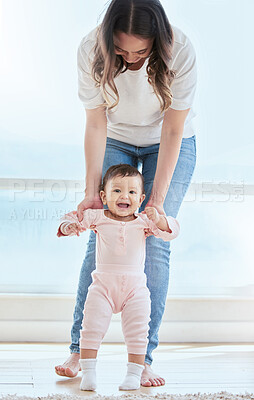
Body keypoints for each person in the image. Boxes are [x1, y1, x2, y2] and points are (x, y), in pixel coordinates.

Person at [55, 0, 197, 387]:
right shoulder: (90, 49)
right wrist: (90, 194)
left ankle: (143, 359)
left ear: (159, 40)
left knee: (154, 240)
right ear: (107, 39)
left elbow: (172, 129)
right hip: (114, 137)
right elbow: (96, 122)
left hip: (170, 142)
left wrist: (156, 202)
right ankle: (79, 351)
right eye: (121, 50)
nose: (131, 60)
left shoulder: (180, 49)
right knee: (100, 236)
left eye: (141, 51)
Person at [57, 164, 180, 391]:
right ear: (103, 196)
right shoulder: (98, 217)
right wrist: (68, 226)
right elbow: (72, 218)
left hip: (135, 290)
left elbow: (171, 232)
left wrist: (161, 220)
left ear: (141, 198)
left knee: (137, 331)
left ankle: (134, 374)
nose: (125, 196)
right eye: (117, 191)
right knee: (91, 328)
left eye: (132, 192)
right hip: (102, 287)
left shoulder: (144, 221)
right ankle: (89, 373)